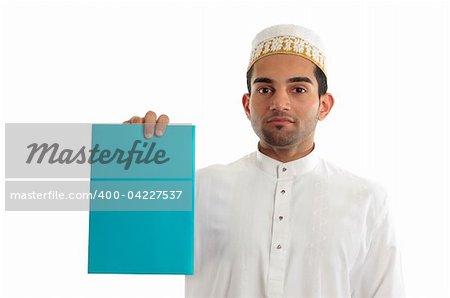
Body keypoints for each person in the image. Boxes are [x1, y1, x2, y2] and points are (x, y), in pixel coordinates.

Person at [124, 24, 405, 298]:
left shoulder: (368, 201)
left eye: (298, 89)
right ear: (247, 105)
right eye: (265, 89)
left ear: (325, 105)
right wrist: (129, 162)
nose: (279, 103)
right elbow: (128, 248)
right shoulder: (200, 189)